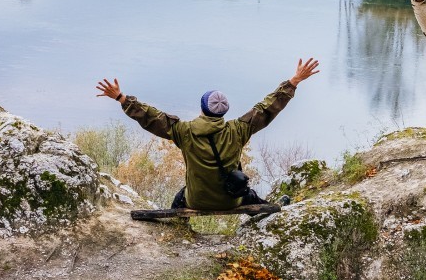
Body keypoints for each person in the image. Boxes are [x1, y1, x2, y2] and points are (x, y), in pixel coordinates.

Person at [95, 58, 320, 211]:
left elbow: (152, 118)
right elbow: (268, 107)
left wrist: (121, 98)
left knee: (181, 196)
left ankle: (178, 226)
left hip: (197, 200)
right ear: (224, 111)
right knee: (252, 197)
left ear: (202, 108)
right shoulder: (239, 130)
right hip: (232, 200)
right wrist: (294, 81)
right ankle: (272, 208)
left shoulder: (184, 132)